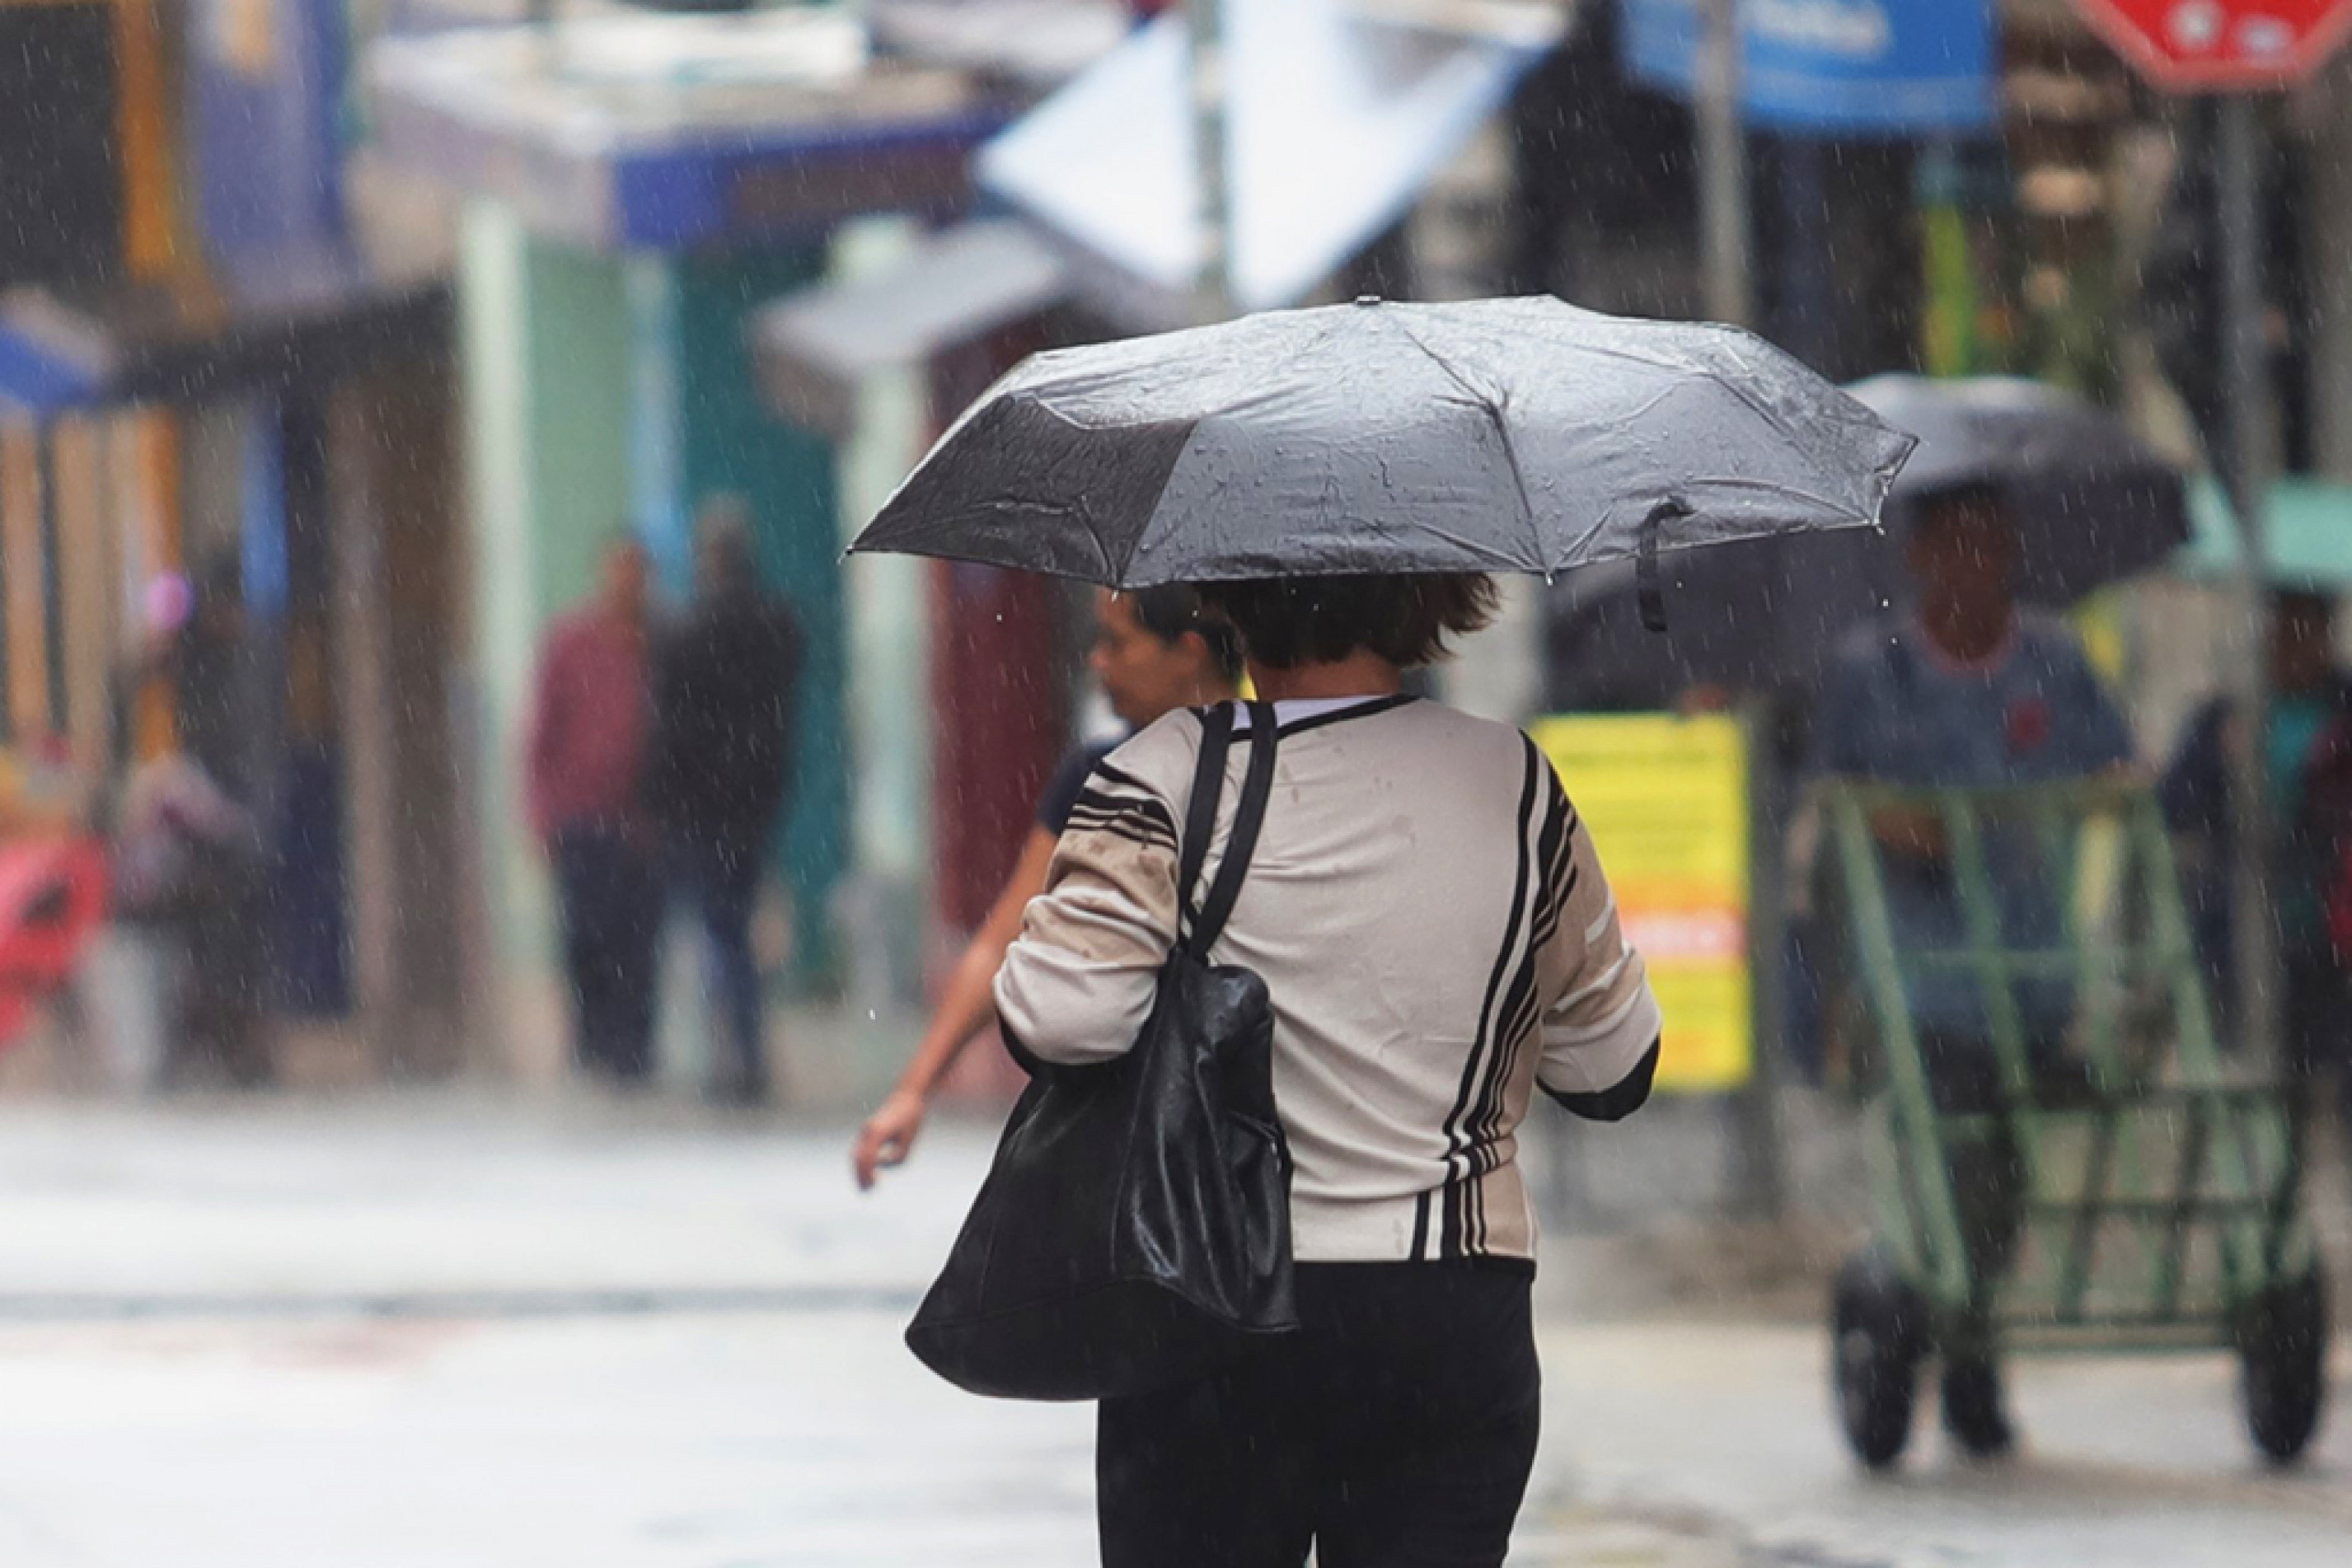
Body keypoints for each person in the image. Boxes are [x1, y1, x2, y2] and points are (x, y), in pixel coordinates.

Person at [992, 573, 1662, 1566]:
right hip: (1446, 1312)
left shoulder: (1166, 775)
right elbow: (1612, 1065)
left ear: (1228, 598)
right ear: (1428, 591)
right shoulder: (1516, 783)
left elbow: (1060, 1020)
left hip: (1210, 1302)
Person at [1812, 483, 2136, 1458]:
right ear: (1918, 557)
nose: (1971, 564)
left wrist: (2117, 790)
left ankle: (1969, 1330)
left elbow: (2118, 766)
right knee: (1951, 1158)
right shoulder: (1875, 673)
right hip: (1925, 978)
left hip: (2033, 968)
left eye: (1988, 543)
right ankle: (1947, 1330)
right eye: (1952, 545)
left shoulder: (2054, 659)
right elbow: (1836, 794)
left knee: (2000, 1172)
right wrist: (1891, 819)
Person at [852, 584, 1241, 1187]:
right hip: (1131, 1132)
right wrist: (914, 1088)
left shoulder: (1271, 772)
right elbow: (1004, 935)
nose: (1097, 661)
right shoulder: (1094, 779)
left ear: (1188, 652)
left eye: (1116, 641)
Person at [2163, 591, 2352, 1120]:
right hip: (2245, 930)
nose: (2290, 642)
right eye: (2279, 627)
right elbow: (2173, 806)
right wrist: (2221, 761)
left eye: (2304, 627)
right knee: (2268, 1085)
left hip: (2331, 929)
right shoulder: (2224, 715)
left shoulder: (2342, 711)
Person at [647, 500, 806, 1107]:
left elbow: (671, 728)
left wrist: (662, 798)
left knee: (719, 929)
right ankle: (748, 1048)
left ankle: (734, 1054)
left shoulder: (687, 633)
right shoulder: (776, 626)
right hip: (754, 801)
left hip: (703, 808)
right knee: (737, 922)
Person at [527, 535, 661, 1084]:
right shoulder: (572, 642)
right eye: (618, 570)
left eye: (635, 572)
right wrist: (541, 812)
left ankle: (634, 1048)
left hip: (645, 820)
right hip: (582, 818)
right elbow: (541, 731)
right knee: (587, 935)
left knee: (639, 937)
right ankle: (592, 1042)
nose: (626, 582)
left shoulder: (662, 639)